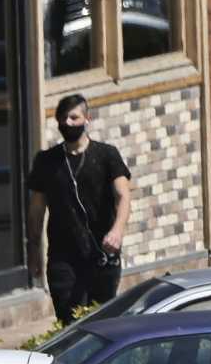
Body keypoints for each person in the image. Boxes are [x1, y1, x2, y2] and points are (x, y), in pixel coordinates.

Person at [27, 93, 134, 324]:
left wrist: (117, 231)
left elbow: (123, 196)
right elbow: (36, 211)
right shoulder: (47, 161)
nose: (68, 123)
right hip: (63, 257)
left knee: (103, 321)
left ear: (87, 119)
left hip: (101, 255)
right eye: (63, 118)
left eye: (74, 117)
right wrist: (33, 251)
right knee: (70, 322)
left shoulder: (106, 155)